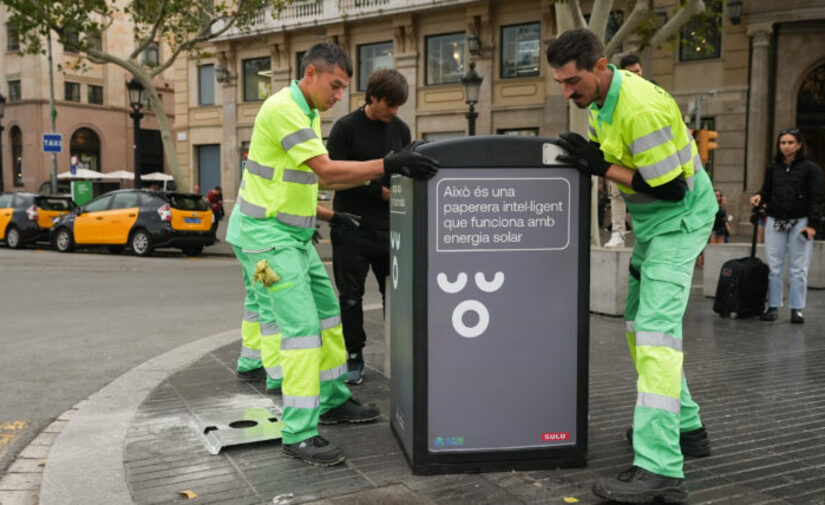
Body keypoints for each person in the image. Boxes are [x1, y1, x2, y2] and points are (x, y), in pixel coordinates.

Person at [224, 42, 438, 467]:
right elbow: (327, 171)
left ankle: (333, 399)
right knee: (301, 327)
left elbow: (295, 185)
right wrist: (390, 163)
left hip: (293, 239)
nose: (340, 96)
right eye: (335, 85)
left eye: (344, 88)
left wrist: (328, 215)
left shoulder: (307, 112)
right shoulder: (284, 107)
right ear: (311, 73)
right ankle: (299, 431)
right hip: (263, 245)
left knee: (327, 314)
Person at [548, 28, 717, 504]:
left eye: (572, 81)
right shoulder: (603, 100)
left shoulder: (637, 108)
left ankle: (660, 468)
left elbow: (672, 190)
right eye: (560, 83)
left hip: (677, 222)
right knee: (639, 325)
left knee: (656, 337)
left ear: (600, 66)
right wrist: (597, 159)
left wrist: (599, 166)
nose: (567, 91)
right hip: (655, 223)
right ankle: (686, 429)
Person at [326, 69, 411, 385]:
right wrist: (380, 191)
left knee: (397, 295)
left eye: (398, 105)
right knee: (351, 296)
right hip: (351, 226)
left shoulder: (401, 129)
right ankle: (354, 357)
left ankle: (399, 353)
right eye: (390, 104)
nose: (394, 111)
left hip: (390, 228)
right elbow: (337, 177)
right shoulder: (345, 129)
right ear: (372, 97)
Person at [233, 204, 360, 390]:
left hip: (245, 235)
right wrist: (328, 217)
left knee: (256, 297)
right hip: (262, 240)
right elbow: (285, 198)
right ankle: (277, 375)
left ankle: (250, 362)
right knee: (270, 303)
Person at [750, 128, 822, 324]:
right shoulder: (773, 168)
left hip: (801, 221)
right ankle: (773, 307)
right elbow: (767, 190)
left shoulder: (810, 168)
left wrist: (813, 224)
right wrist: (759, 196)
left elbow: (816, 198)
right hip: (775, 220)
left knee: (799, 269)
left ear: (799, 145)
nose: (786, 146)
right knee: (774, 267)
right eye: (783, 143)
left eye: (791, 142)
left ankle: (796, 309)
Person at [599, 54, 645, 248]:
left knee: (645, 197)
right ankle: (618, 233)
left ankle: (644, 236)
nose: (637, 75)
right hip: (620, 154)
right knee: (617, 195)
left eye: (639, 71)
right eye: (632, 72)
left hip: (644, 154)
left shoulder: (650, 90)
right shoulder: (614, 94)